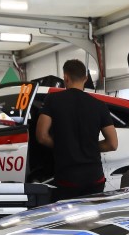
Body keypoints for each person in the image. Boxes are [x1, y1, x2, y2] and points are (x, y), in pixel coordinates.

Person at [35, 60, 118, 201]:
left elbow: (42, 136)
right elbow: (112, 144)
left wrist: (65, 146)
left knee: (68, 214)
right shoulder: (99, 105)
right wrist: (88, 146)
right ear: (85, 78)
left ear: (65, 77)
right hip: (95, 178)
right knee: (93, 214)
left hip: (68, 179)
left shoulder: (53, 100)